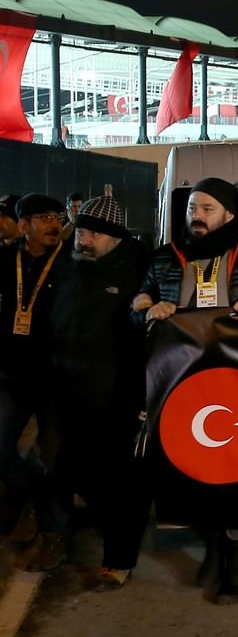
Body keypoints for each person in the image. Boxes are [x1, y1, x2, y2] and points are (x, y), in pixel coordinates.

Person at [132, 177, 238, 605]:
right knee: (198, 468)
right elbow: (138, 305)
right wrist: (148, 308)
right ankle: (214, 545)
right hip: (187, 383)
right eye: (192, 208)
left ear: (229, 215)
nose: (197, 216)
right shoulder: (166, 257)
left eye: (207, 209)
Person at [49, 195, 151, 590]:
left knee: (123, 481)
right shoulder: (70, 266)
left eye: (93, 233)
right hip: (67, 389)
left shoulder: (136, 270)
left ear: (114, 239)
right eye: (83, 230)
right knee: (71, 470)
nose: (84, 239)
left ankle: (118, 560)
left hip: (118, 397)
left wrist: (144, 397)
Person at [0, 194, 67, 570]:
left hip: (55, 380)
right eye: (43, 217)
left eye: (56, 216)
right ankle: (24, 499)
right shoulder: (6, 260)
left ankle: (53, 533)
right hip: (12, 375)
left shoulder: (71, 264)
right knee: (0, 449)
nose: (53, 223)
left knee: (50, 460)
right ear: (24, 225)